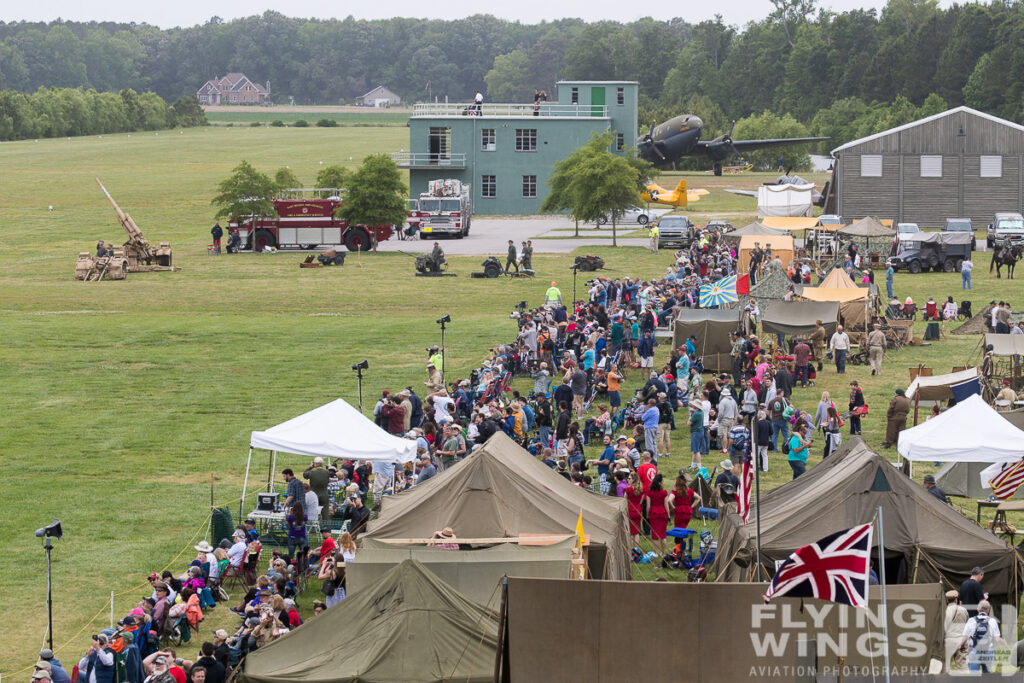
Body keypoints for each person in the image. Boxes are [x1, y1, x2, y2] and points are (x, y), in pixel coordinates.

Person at [961, 599, 1000, 673]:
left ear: (978, 609)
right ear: (989, 610)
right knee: (987, 676)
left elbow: (964, 637)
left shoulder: (971, 621)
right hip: (988, 650)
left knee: (974, 675)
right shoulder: (993, 621)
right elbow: (997, 639)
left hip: (974, 650)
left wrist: (960, 646)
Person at [645, 473, 670, 555]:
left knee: (654, 535)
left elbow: (648, 506)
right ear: (659, 482)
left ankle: (655, 553)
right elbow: (666, 505)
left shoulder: (650, 493)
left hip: (654, 513)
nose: (663, 482)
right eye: (662, 481)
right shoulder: (664, 492)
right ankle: (663, 553)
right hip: (662, 513)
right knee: (663, 535)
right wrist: (669, 515)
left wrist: (647, 515)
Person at [944, 590, 970, 672]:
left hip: (949, 640)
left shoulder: (944, 611)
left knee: (946, 666)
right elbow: (967, 623)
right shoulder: (963, 610)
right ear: (956, 599)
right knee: (963, 666)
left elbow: (944, 628)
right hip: (961, 640)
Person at [624, 472, 644, 545]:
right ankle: (636, 549)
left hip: (630, 510)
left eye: (629, 478)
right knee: (636, 531)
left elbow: (624, 500)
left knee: (630, 531)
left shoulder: (628, 489)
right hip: (638, 510)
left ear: (633, 479)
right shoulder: (641, 489)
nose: (627, 480)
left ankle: (630, 547)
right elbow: (641, 501)